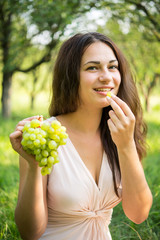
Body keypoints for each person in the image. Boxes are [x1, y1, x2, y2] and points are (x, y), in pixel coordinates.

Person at [10, 32, 153, 240]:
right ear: (70, 75)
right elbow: (30, 233)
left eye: (112, 67)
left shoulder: (121, 132)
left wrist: (126, 146)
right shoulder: (46, 135)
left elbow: (139, 214)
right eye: (92, 67)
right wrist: (34, 166)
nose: (106, 76)